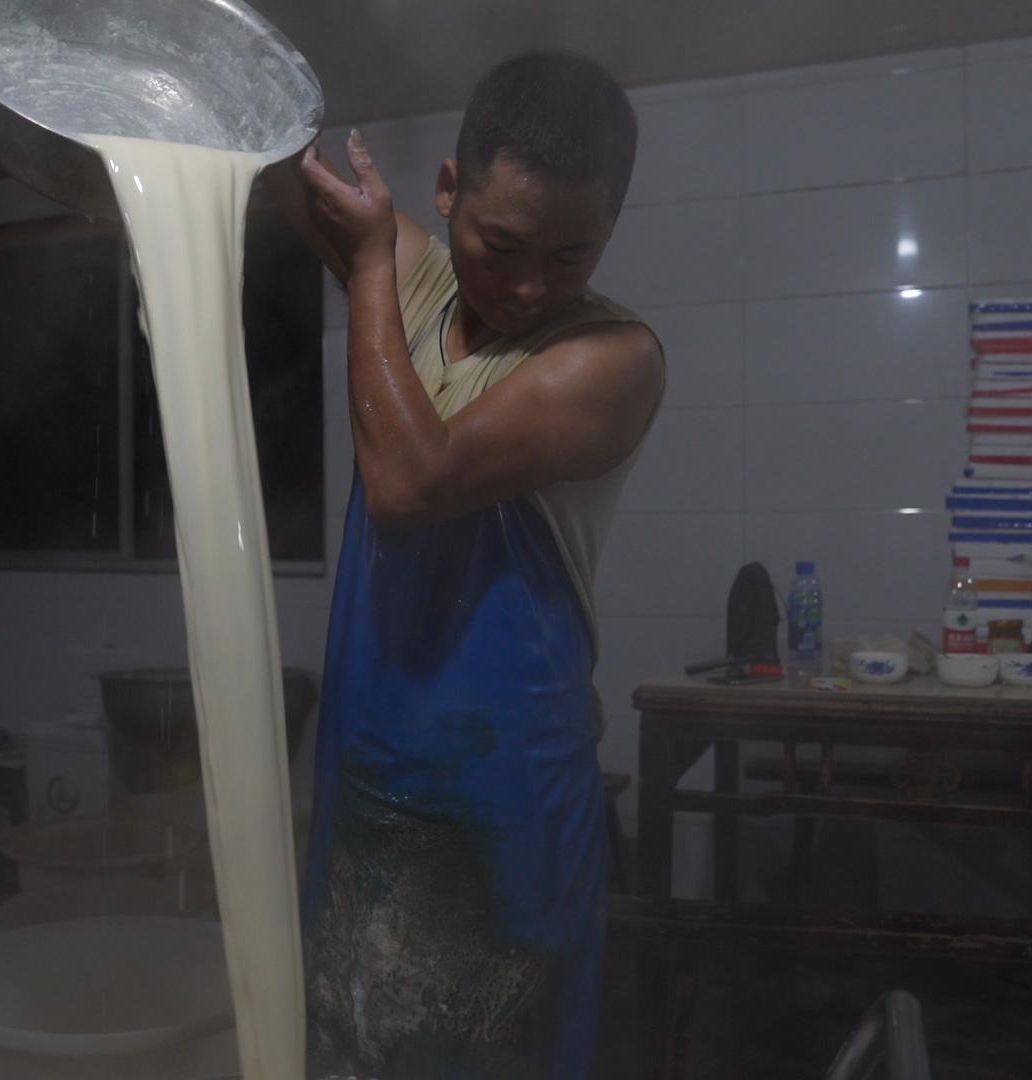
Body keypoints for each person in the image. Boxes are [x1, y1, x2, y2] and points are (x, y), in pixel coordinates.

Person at [287, 52, 664, 1080]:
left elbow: (411, 481)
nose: (531, 286)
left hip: (506, 812)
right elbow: (269, 170)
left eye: (571, 255)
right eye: (501, 246)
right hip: (366, 770)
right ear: (448, 190)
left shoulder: (612, 359)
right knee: (353, 1047)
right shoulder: (417, 285)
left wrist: (369, 266)